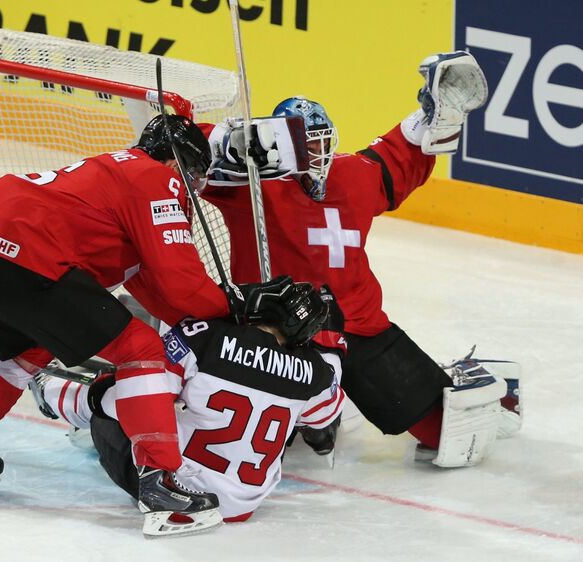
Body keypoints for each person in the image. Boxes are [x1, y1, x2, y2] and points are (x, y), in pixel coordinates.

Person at [0, 114, 291, 512]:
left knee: (27, 351)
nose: (194, 187)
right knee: (141, 348)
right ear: (176, 161)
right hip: (30, 260)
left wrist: (218, 310)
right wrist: (234, 305)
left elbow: (160, 291)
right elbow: (181, 282)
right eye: (195, 173)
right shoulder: (156, 178)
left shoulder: (116, 178)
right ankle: (161, 482)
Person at [199, 51, 519, 468]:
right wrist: (229, 143)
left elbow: (401, 153)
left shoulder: (355, 175)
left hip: (359, 327)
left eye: (321, 140)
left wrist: (433, 114)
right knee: (244, 429)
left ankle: (435, 383)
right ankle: (313, 414)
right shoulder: (252, 186)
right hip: (274, 332)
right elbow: (189, 154)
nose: (316, 153)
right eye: (304, 143)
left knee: (446, 437)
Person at [30, 282, 346, 536]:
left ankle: (50, 391)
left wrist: (98, 393)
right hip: (243, 503)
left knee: (125, 391)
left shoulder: (207, 336)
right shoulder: (318, 373)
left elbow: (141, 394)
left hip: (178, 490)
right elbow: (323, 418)